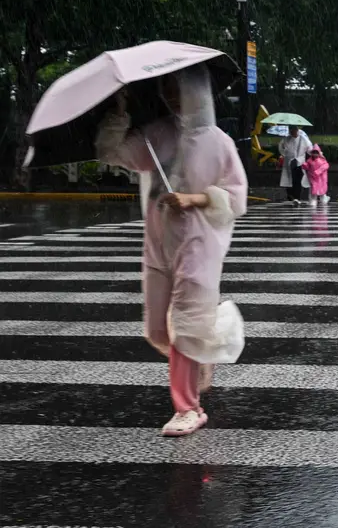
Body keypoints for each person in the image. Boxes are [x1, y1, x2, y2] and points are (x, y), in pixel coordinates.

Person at [95, 65, 248, 437]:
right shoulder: (155, 136)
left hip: (199, 246)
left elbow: (237, 198)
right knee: (158, 327)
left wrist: (195, 198)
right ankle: (200, 352)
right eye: (167, 90)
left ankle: (188, 408)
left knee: (183, 326)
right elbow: (113, 154)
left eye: (178, 89)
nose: (172, 97)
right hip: (158, 243)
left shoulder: (219, 142)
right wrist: (118, 114)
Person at [278, 125, 311, 204]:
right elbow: (281, 148)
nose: (292, 132)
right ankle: (290, 196)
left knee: (297, 180)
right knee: (288, 180)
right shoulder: (286, 139)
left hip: (299, 162)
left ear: (297, 130)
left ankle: (297, 197)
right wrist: (285, 154)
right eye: (290, 130)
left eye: (293, 130)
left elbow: (309, 148)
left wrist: (314, 154)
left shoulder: (303, 139)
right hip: (289, 162)